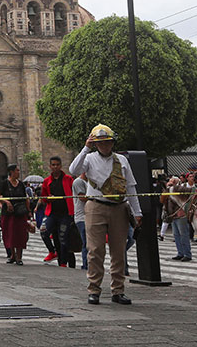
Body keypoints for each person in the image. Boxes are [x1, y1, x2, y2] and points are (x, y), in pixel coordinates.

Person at [69, 124, 142, 306]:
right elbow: (73, 170)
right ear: (95, 144)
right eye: (100, 143)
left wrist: (137, 212)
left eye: (107, 142)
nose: (104, 146)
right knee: (95, 250)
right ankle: (94, 289)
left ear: (112, 143)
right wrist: (86, 147)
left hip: (119, 207)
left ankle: (118, 290)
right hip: (96, 206)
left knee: (119, 251)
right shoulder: (89, 158)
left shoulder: (122, 161)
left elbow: (130, 186)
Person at [41, 156, 75, 267]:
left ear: (60, 166)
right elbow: (43, 197)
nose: (55, 167)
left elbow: (73, 195)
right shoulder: (47, 181)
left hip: (65, 213)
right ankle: (52, 251)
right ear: (50, 166)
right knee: (44, 231)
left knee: (63, 238)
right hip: (52, 212)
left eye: (57, 165)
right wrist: (48, 198)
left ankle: (63, 263)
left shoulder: (68, 179)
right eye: (53, 165)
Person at [0, 164, 29, 265]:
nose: (18, 172)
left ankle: (19, 257)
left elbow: (25, 198)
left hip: (20, 213)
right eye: (17, 171)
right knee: (10, 234)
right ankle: (13, 255)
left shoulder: (21, 185)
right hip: (8, 213)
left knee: (20, 235)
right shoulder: (4, 183)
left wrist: (29, 212)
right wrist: (6, 202)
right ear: (11, 172)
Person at [164, 176, 192, 262]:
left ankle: (187, 254)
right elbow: (162, 199)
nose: (170, 182)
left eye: (173, 181)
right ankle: (180, 253)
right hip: (173, 215)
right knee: (176, 235)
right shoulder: (169, 190)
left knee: (183, 234)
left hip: (180, 214)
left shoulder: (181, 188)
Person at [72, 172, 89, 269]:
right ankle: (86, 265)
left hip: (89, 216)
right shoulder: (78, 182)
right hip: (81, 217)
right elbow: (82, 197)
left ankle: (89, 264)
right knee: (86, 243)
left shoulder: (89, 182)